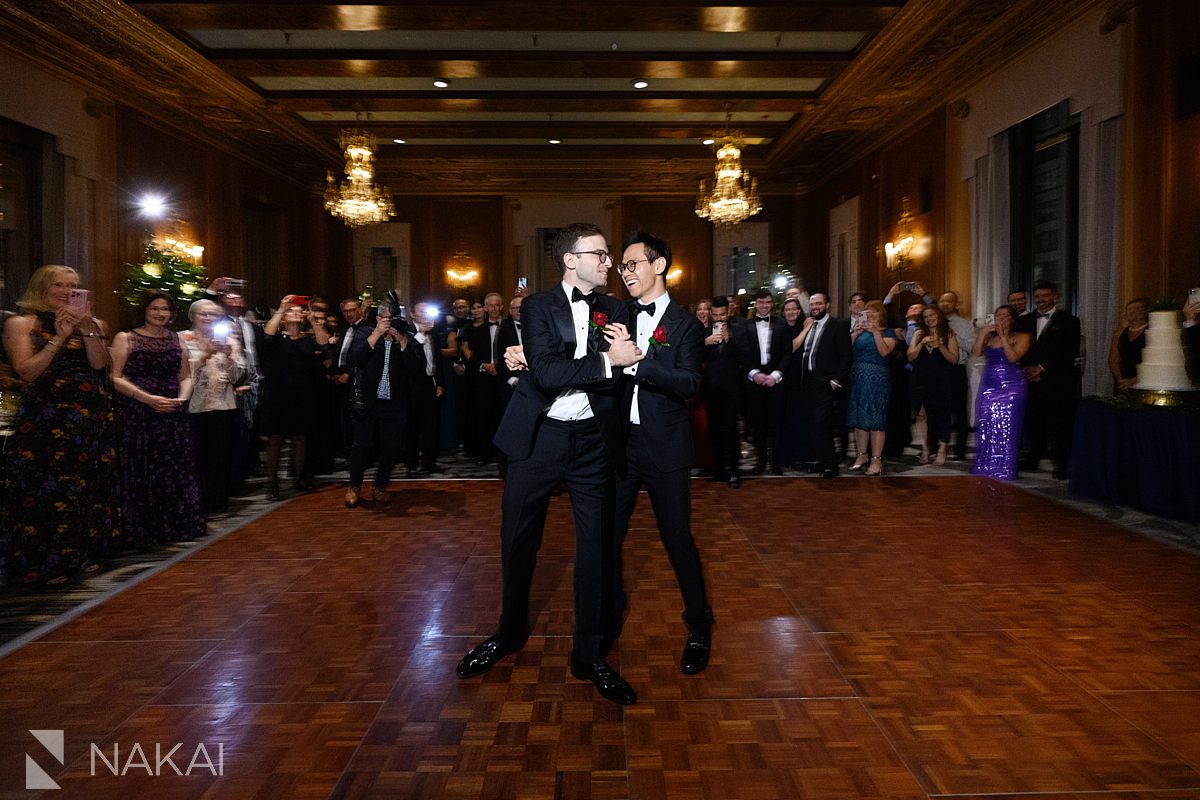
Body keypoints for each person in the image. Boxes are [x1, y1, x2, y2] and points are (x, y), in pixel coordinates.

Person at [455, 222, 643, 706]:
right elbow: (549, 371)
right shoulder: (538, 305)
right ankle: (508, 634)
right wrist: (604, 362)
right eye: (600, 255)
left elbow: (616, 367)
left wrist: (614, 362)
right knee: (517, 542)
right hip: (539, 438)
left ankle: (589, 655)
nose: (609, 263)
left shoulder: (617, 307)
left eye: (610, 256)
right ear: (570, 260)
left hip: (594, 442)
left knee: (597, 551)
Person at [609, 230, 713, 674]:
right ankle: (609, 610)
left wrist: (640, 363)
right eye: (623, 266)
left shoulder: (687, 325)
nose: (626, 273)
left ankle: (700, 624)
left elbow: (690, 384)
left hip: (666, 447)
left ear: (659, 266)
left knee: (677, 540)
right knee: (606, 536)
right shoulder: (617, 314)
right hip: (621, 445)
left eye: (633, 264)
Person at [1, 265, 120, 585]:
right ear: (42, 287)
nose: (68, 291)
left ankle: (80, 555)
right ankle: (44, 563)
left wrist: (85, 329)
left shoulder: (93, 324)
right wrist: (59, 338)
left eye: (75, 286)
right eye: (59, 285)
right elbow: (26, 371)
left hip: (85, 419)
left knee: (83, 490)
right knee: (45, 491)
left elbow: (99, 364)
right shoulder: (21, 323)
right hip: (43, 421)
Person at [110, 291, 205, 547]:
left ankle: (175, 526)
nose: (160, 314)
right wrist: (148, 399)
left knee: (173, 468)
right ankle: (144, 531)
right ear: (144, 310)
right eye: (155, 308)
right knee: (142, 468)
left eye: (165, 309)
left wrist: (182, 400)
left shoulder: (177, 340)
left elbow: (185, 376)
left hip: (172, 413)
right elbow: (115, 376)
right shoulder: (126, 338)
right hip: (138, 412)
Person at [345, 301, 425, 506]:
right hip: (367, 401)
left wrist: (402, 340)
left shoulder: (406, 337)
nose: (392, 322)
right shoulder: (365, 333)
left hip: (394, 402)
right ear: (379, 318)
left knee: (392, 447)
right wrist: (377, 334)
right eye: (388, 318)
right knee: (360, 446)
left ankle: (379, 486)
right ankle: (354, 487)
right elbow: (355, 359)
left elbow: (416, 367)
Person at [181, 299, 245, 515]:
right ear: (193, 316)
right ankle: (195, 501)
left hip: (222, 405)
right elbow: (183, 375)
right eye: (203, 314)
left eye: (213, 315)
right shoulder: (183, 338)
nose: (208, 318)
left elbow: (237, 376)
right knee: (196, 455)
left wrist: (227, 356)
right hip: (194, 406)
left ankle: (217, 501)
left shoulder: (229, 341)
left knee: (220, 457)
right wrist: (205, 354)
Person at [260, 295, 324, 500]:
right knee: (276, 439)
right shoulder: (276, 338)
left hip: (303, 393)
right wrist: (282, 308)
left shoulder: (307, 339)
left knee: (299, 438)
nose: (295, 312)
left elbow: (323, 343)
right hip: (278, 394)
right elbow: (267, 334)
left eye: (298, 311)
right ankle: (272, 483)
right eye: (291, 311)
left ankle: (299, 480)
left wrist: (313, 321)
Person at [1016, 281, 1081, 479]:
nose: (1041, 300)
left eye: (1045, 296)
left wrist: (1043, 368)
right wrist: (1026, 368)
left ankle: (1061, 463)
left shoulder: (1070, 321)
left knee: (1059, 422)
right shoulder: (1025, 320)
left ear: (1055, 296)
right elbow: (1019, 346)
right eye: (1037, 296)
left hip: (1057, 380)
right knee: (1032, 420)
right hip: (1029, 379)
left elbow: (1070, 351)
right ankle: (1031, 457)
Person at [789, 292, 852, 477]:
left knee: (822, 423)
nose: (815, 307)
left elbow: (846, 356)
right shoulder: (808, 324)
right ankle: (822, 460)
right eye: (812, 304)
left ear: (827, 305)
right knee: (812, 424)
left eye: (818, 304)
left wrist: (836, 381)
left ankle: (831, 466)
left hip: (825, 383)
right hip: (807, 382)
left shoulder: (837, 325)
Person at [731, 289, 790, 474]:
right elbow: (740, 354)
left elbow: (788, 353)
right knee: (757, 424)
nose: (765, 306)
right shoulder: (744, 326)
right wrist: (754, 373)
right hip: (754, 380)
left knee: (777, 423)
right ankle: (760, 462)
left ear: (772, 304)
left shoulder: (782, 325)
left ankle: (776, 463)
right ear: (756, 304)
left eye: (768, 302)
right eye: (761, 302)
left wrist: (776, 375)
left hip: (776, 380)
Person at [972, 305, 1032, 480]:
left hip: (1012, 386)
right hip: (989, 385)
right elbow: (976, 353)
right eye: (998, 316)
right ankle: (986, 466)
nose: (1001, 319)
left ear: (1013, 319)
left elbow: (1013, 358)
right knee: (986, 424)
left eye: (1005, 316)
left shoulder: (1023, 336)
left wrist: (1004, 337)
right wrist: (983, 333)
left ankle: (1005, 468)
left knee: (1007, 427)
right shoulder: (989, 337)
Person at [845, 300, 897, 476]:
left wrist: (875, 332)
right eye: (867, 312)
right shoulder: (859, 332)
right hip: (858, 378)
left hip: (877, 380)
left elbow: (884, 352)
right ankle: (861, 455)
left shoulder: (888, 332)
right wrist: (855, 333)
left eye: (873, 313)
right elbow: (846, 352)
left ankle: (876, 459)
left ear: (881, 315)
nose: (870, 315)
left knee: (875, 420)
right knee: (859, 418)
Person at [906, 305, 959, 465]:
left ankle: (942, 448)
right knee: (921, 415)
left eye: (932, 315)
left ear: (939, 316)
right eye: (926, 316)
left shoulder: (948, 334)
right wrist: (921, 344)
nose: (929, 319)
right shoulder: (919, 333)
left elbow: (954, 359)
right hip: (920, 379)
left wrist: (940, 346)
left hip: (940, 380)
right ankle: (925, 449)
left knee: (941, 415)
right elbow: (910, 356)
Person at [701, 296, 743, 487]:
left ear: (729, 312)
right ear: (711, 314)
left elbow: (747, 356)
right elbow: (694, 357)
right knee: (714, 430)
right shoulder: (705, 332)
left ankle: (734, 471)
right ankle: (719, 470)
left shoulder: (739, 331)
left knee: (731, 430)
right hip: (711, 389)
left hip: (731, 389)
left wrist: (730, 341)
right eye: (716, 315)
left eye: (722, 314)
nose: (719, 319)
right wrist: (705, 343)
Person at [463, 292, 507, 468]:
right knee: (484, 416)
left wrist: (500, 367)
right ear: (486, 308)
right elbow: (471, 356)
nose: (494, 308)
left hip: (505, 377)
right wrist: (484, 365)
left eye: (498, 305)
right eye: (491, 305)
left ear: (502, 307)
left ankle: (502, 453)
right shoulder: (477, 330)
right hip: (483, 378)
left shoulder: (509, 327)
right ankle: (485, 453)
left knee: (503, 415)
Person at [405, 301, 444, 477]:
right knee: (413, 426)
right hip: (412, 385)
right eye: (422, 312)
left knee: (431, 425)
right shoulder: (407, 332)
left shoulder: (434, 334)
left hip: (430, 383)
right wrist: (421, 333)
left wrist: (440, 383)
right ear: (413, 315)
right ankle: (411, 464)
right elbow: (409, 356)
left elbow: (438, 361)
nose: (425, 315)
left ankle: (429, 461)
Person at [938, 291, 976, 460]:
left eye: (949, 301)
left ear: (956, 304)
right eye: (942, 301)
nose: (945, 304)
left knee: (960, 411)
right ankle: (936, 448)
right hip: (937, 370)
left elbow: (971, 348)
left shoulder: (964, 324)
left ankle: (960, 451)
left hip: (956, 369)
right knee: (938, 409)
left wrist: (952, 335)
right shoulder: (933, 321)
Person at [1107, 297, 1149, 393]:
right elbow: (1113, 360)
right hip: (1122, 384)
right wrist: (1120, 381)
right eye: (1129, 309)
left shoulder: (1152, 331)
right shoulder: (1119, 334)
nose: (1133, 312)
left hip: (1145, 382)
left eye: (1138, 308)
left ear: (1146, 311)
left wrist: (1134, 381)